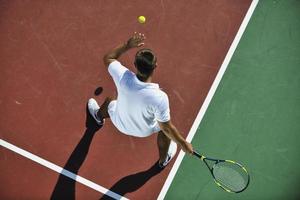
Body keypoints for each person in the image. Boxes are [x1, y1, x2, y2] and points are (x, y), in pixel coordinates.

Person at [88, 32, 193, 168]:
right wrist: (183, 143)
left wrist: (127, 45)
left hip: (119, 122)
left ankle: (97, 116)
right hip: (144, 131)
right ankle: (163, 160)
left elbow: (108, 58)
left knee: (110, 101)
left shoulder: (123, 77)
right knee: (164, 130)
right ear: (155, 67)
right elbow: (166, 128)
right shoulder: (160, 97)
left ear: (134, 65)